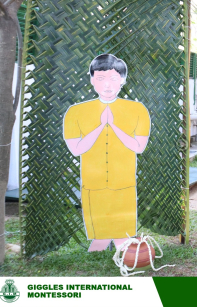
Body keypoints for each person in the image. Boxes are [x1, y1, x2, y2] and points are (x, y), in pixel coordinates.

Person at [63, 54, 150, 252]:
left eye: (113, 78)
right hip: (94, 186)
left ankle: (123, 258)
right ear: (92, 79)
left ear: (123, 80)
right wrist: (100, 126)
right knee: (99, 240)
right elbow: (77, 149)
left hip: (125, 185)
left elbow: (139, 147)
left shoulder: (137, 109)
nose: (107, 85)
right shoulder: (75, 112)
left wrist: (115, 127)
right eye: (101, 79)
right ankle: (103, 259)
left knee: (123, 238)